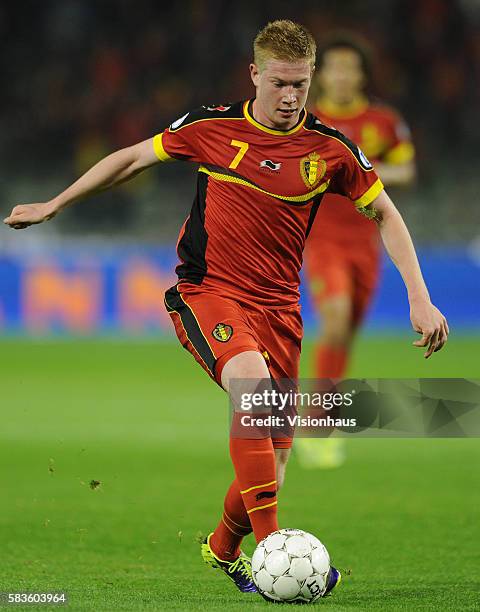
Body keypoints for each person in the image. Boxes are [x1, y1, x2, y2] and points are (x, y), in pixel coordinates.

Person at [4, 20, 448, 597]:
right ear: (255, 74)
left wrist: (419, 294)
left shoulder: (330, 150)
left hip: (281, 309)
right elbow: (133, 159)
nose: (291, 97)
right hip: (208, 290)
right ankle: (274, 549)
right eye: (281, 83)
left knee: (273, 461)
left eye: (301, 85)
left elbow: (386, 212)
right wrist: (56, 203)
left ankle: (223, 546)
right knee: (251, 385)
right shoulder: (211, 127)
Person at [298, 36, 417, 469]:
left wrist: (360, 168)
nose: (343, 76)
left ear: (362, 74)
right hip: (321, 239)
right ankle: (315, 426)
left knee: (345, 331)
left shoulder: (382, 121)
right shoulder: (306, 119)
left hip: (367, 242)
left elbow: (406, 168)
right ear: (320, 74)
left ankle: (322, 419)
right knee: (334, 318)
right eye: (335, 68)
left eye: (351, 68)